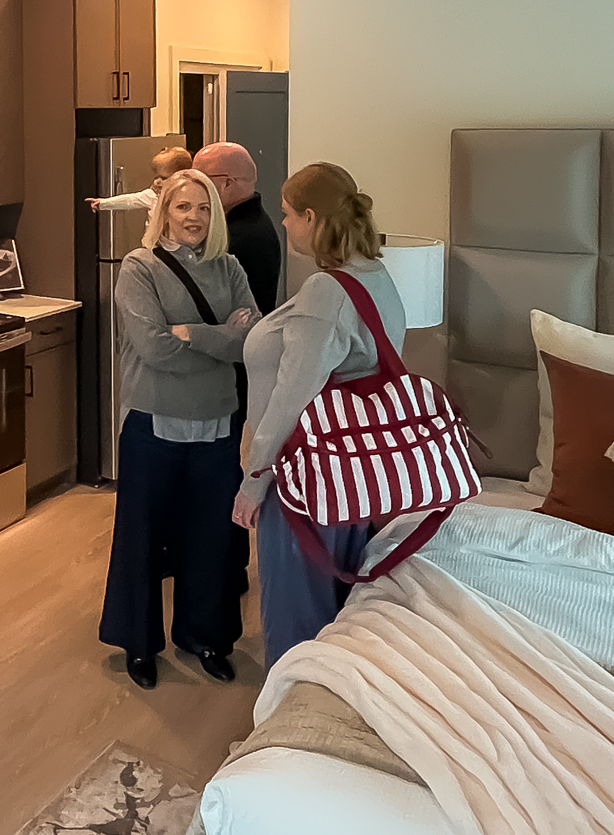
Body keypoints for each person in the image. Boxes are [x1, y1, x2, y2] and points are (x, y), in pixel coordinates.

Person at [232, 162, 407, 666]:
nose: (282, 223)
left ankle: (285, 729)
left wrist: (253, 481)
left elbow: (292, 397)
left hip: (304, 478)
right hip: (347, 470)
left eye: (288, 214)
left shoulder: (326, 292)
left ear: (311, 217)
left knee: (296, 617)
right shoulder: (373, 274)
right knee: (333, 609)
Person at [98, 168, 257, 688]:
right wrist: (217, 339)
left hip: (217, 423)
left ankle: (205, 636)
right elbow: (155, 349)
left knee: (212, 537)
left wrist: (191, 333)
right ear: (164, 210)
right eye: (183, 207)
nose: (194, 218)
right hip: (153, 422)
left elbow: (249, 344)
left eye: (204, 208)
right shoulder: (138, 268)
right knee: (142, 538)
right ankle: (140, 645)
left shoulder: (229, 267)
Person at [193, 141, 283, 316]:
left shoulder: (242, 237)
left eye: (199, 179)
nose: (192, 187)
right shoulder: (246, 223)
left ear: (227, 183)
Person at [89, 143, 191, 215]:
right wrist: (103, 203)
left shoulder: (191, 197)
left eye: (164, 177)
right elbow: (132, 200)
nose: (158, 181)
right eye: (157, 176)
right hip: (153, 244)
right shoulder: (156, 194)